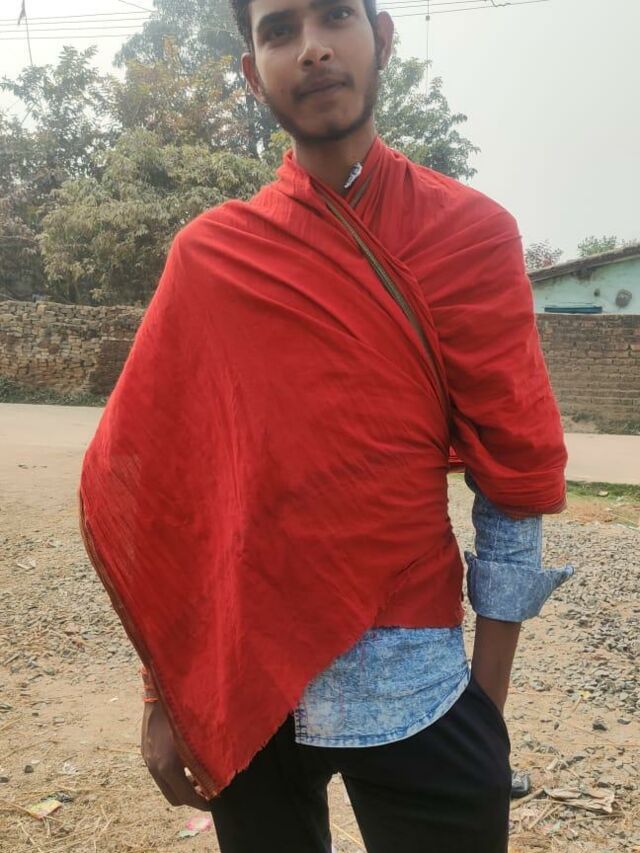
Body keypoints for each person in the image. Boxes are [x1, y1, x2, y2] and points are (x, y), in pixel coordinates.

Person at [78, 0, 573, 850]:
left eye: (336, 14)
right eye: (279, 30)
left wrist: (486, 711)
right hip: (246, 686)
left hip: (419, 683)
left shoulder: (471, 236)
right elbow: (169, 493)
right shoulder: (212, 259)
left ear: (381, 39)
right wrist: (165, 694)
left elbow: (512, 480)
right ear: (252, 72)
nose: (311, 49)